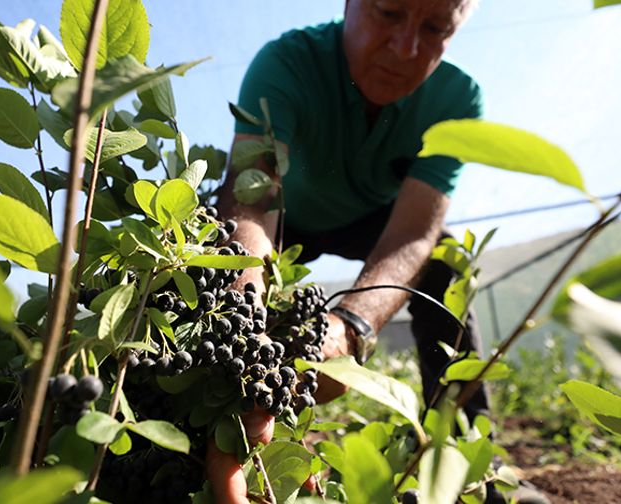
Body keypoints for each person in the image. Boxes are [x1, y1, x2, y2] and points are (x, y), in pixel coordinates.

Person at [206, 1, 522, 503]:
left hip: (374, 221)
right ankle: (196, 428)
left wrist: (352, 328)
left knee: (443, 260)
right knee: (210, 256)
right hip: (283, 213)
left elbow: (415, 232)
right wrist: (245, 337)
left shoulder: (456, 99)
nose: (406, 49)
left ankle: (470, 464)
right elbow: (252, 196)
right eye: (390, 12)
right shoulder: (286, 63)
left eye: (436, 28)